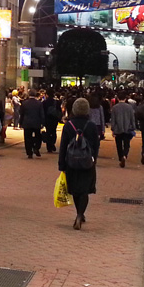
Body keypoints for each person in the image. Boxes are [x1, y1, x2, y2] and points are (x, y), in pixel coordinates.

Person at [59, 98, 101, 230]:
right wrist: (94, 159)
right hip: (87, 162)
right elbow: (96, 145)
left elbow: (63, 146)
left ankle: (78, 213)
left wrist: (62, 164)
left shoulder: (68, 125)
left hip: (71, 162)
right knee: (85, 190)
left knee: (75, 189)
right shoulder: (92, 126)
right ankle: (80, 214)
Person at [110, 93, 137, 168]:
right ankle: (125, 155)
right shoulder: (129, 107)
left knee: (118, 144)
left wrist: (113, 129)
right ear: (125, 99)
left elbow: (113, 120)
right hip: (127, 128)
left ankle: (120, 157)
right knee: (126, 144)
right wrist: (133, 127)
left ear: (118, 98)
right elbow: (132, 118)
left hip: (118, 128)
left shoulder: (115, 108)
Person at [18, 90, 44, 158]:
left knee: (27, 138)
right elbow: (42, 114)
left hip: (27, 123)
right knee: (38, 136)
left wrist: (20, 123)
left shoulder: (24, 103)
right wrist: (42, 123)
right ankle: (36, 147)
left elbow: (21, 114)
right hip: (36, 122)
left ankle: (29, 152)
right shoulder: (39, 103)